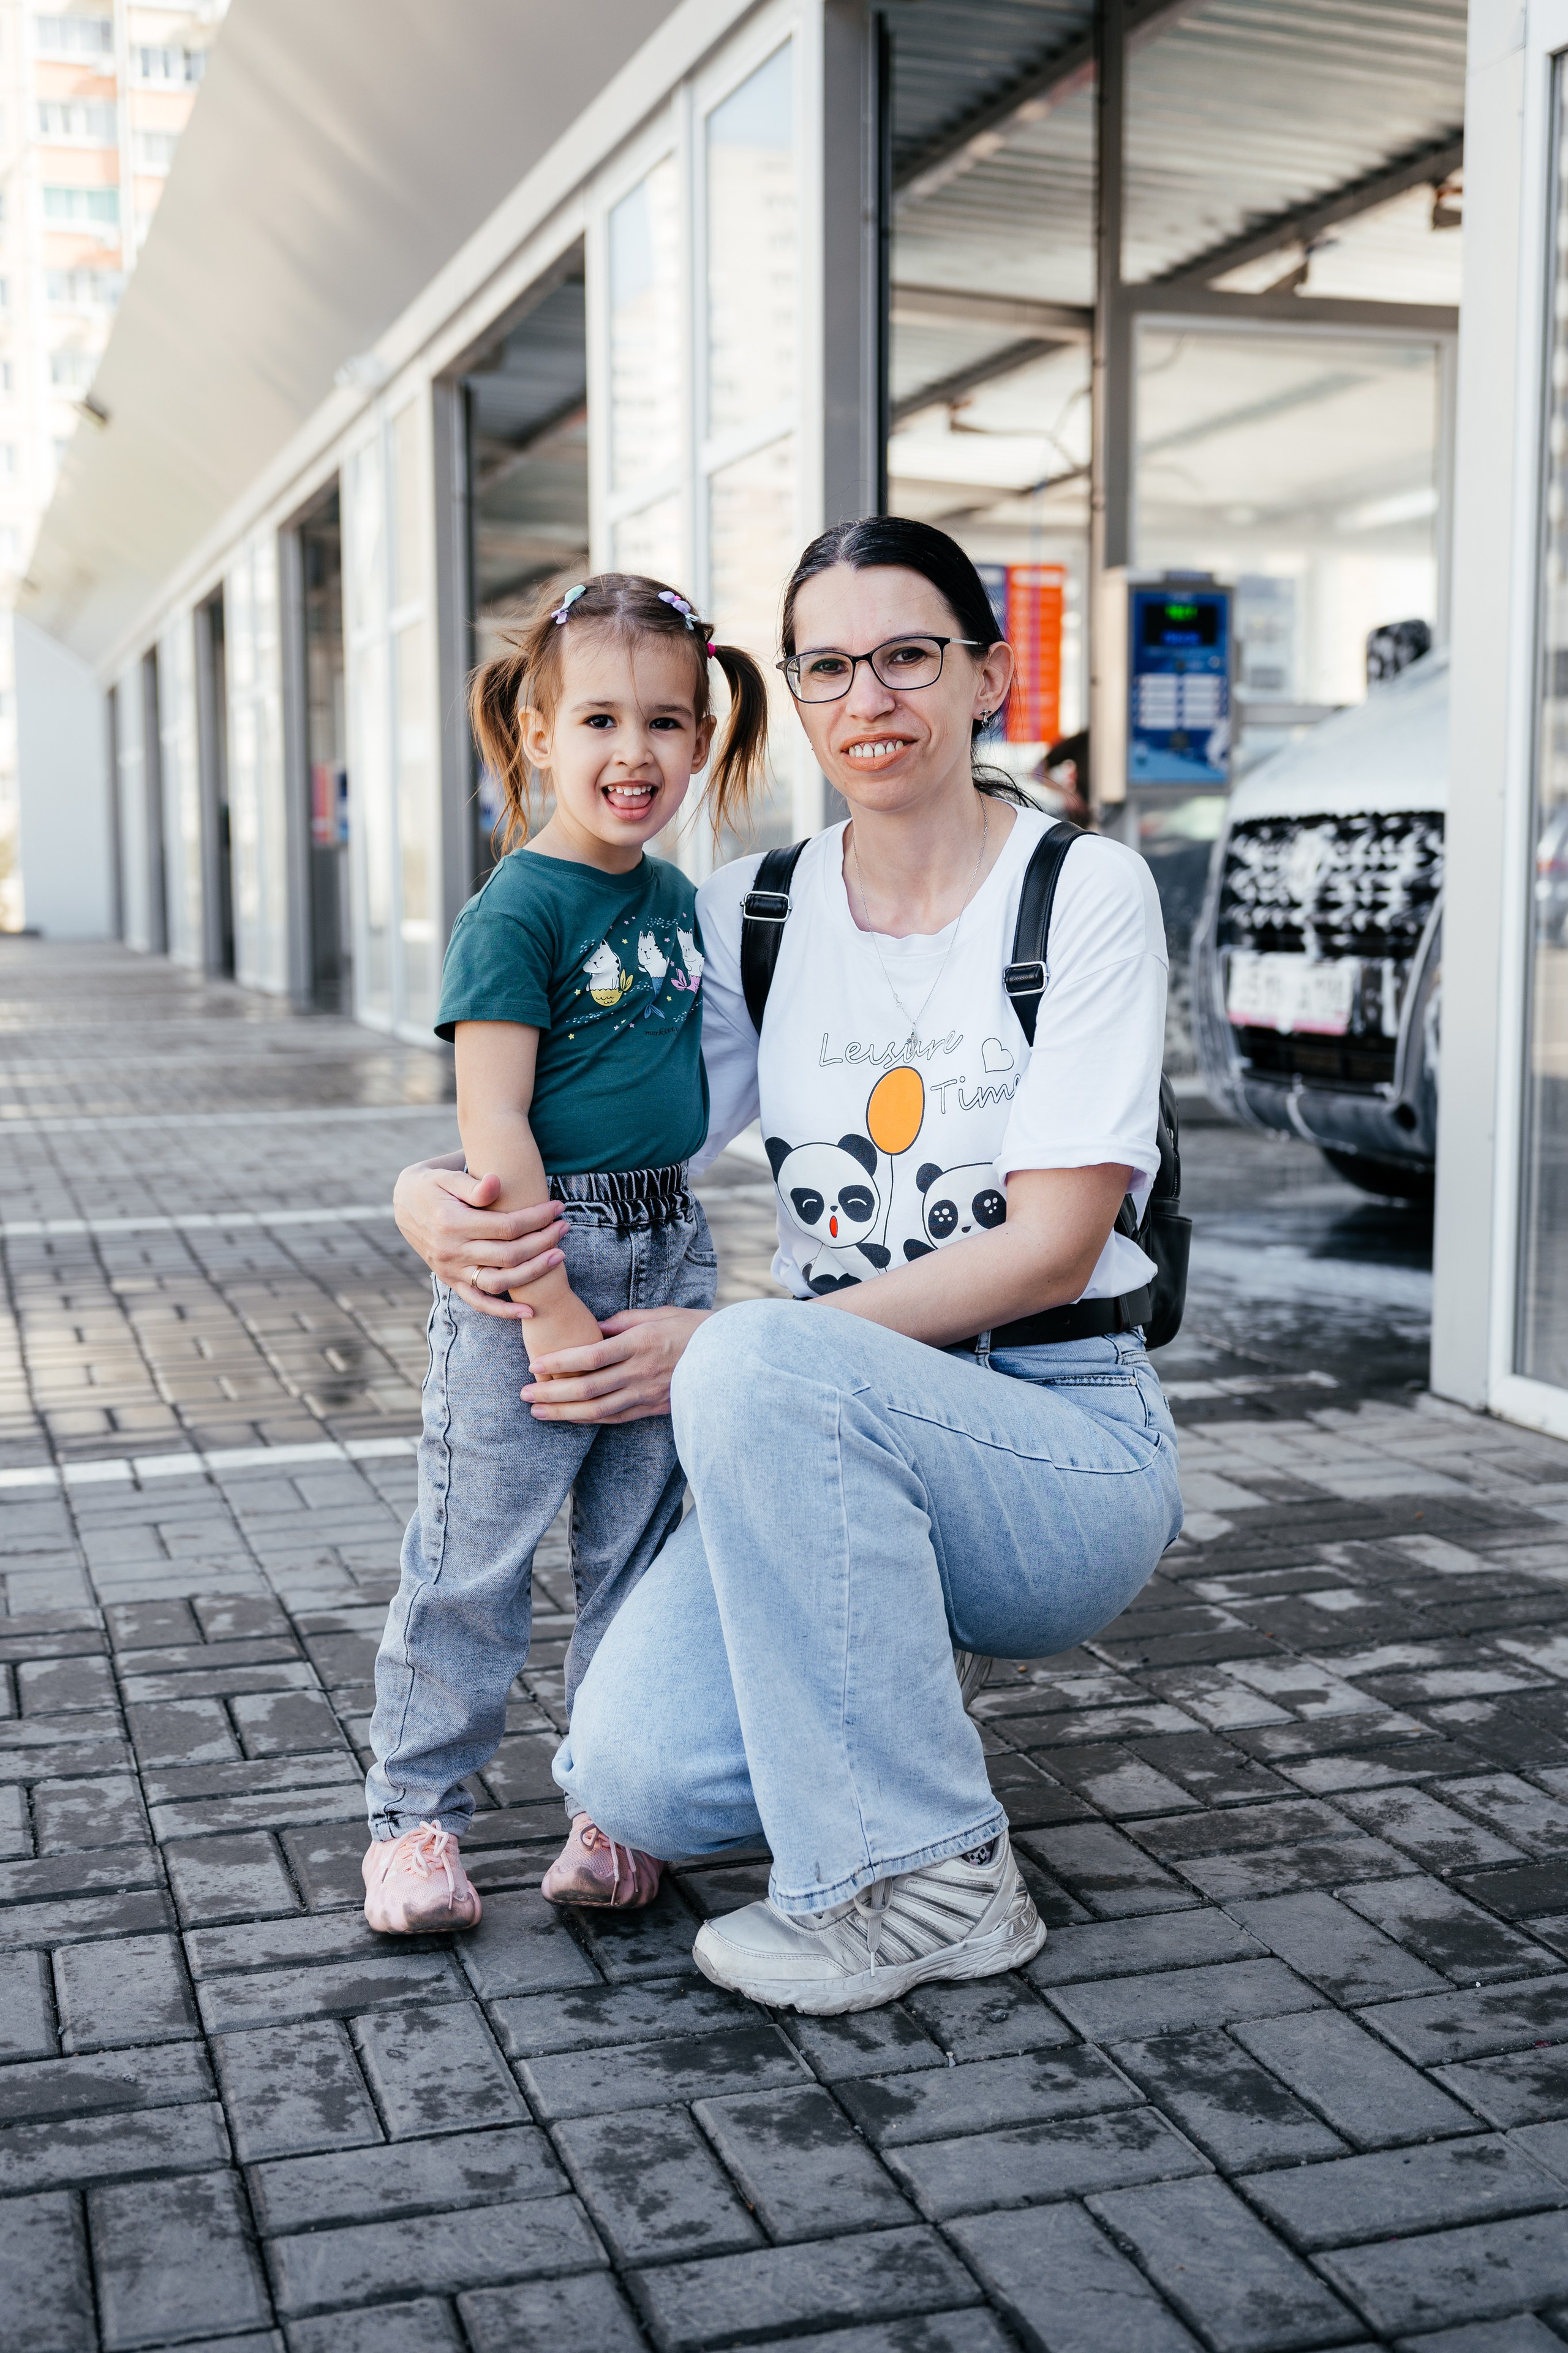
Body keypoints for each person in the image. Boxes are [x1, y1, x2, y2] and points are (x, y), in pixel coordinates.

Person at [393, 517, 1182, 2013]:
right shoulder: (749, 912)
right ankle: (884, 1645)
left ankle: (932, 1880)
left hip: (1055, 1436)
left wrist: (730, 1348)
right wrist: (423, 1193)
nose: (867, 697)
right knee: (629, 1774)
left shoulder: (1080, 890)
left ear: (986, 679)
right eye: (827, 666)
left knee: (755, 1347)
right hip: (817, 1444)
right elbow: (596, 1125)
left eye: (908, 656)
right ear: (798, 698)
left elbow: (1054, 1246)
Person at [362, 572, 767, 1935]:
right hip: (540, 1261)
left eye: (665, 721)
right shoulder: (516, 909)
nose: (632, 752)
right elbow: (492, 1122)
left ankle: (608, 1810)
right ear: (538, 734)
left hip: (670, 1248)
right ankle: (414, 1822)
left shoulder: (677, 899)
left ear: (701, 739)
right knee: (472, 1559)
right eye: (598, 720)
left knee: (636, 1553)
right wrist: (541, 1302)